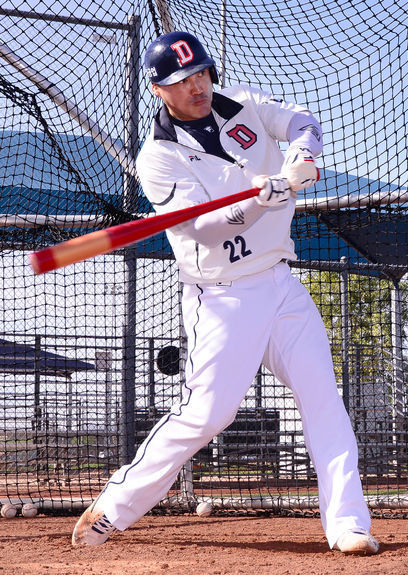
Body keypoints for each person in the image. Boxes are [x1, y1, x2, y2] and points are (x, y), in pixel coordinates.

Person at [71, 30, 378, 555]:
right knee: (209, 414)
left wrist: (300, 156)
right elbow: (205, 230)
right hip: (222, 295)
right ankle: (116, 505)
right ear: (158, 90)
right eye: (180, 81)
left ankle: (348, 524)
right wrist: (259, 200)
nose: (196, 87)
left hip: (280, 281)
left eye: (200, 74)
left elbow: (304, 122)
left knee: (324, 400)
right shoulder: (158, 157)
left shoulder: (244, 104)